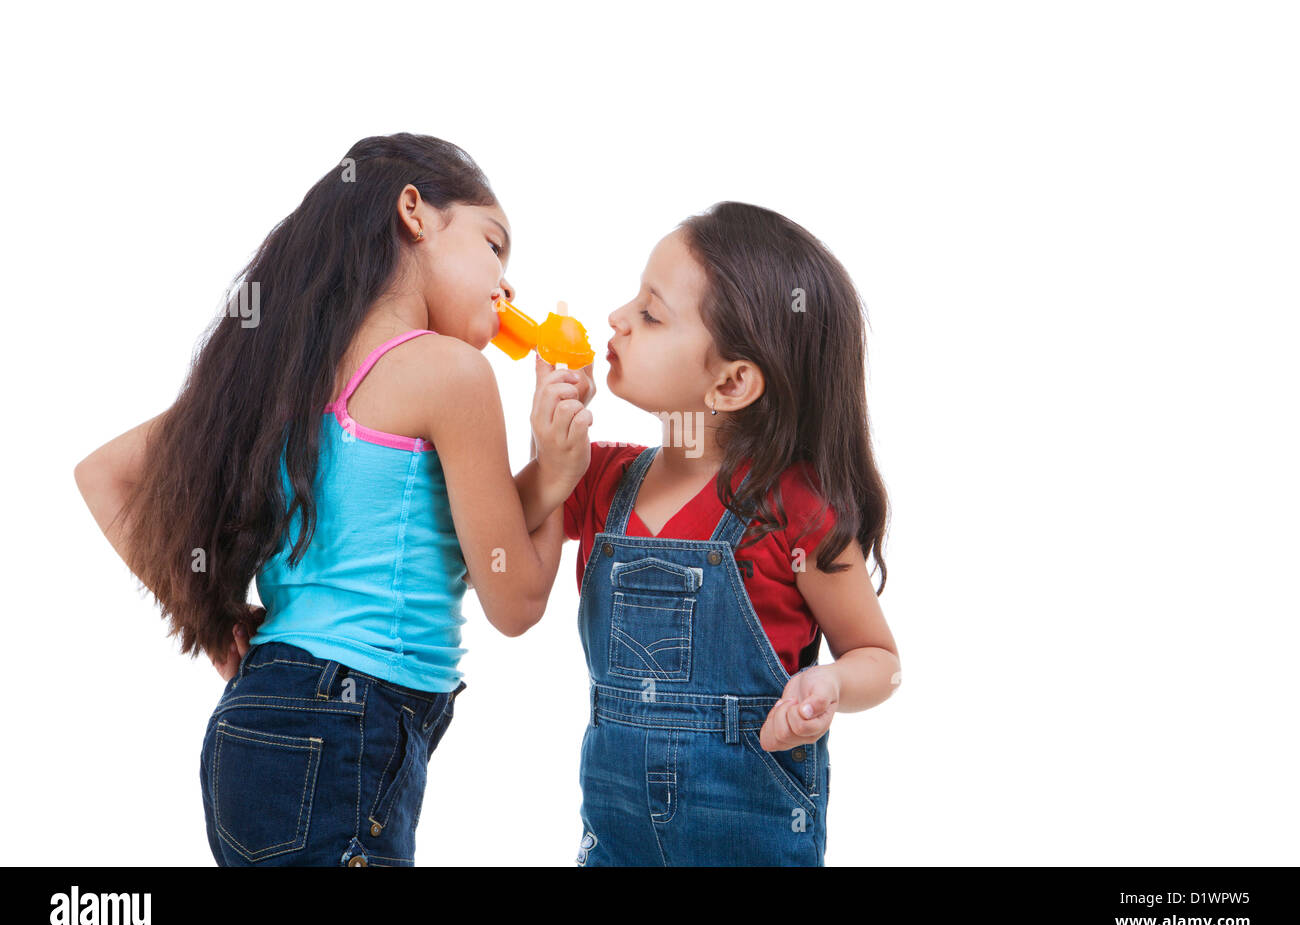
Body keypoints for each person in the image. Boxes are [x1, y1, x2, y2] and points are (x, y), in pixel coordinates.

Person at [72, 133, 593, 866]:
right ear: (414, 211)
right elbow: (516, 599)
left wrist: (218, 622)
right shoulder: (452, 374)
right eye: (495, 245)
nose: (507, 284)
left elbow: (103, 475)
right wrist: (561, 470)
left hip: (258, 722)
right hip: (343, 728)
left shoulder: (280, 374)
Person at [548, 201, 900, 865]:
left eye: (650, 314)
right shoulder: (596, 478)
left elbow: (878, 659)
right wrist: (549, 451)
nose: (616, 319)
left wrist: (828, 687)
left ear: (732, 381)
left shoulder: (797, 509)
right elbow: (489, 530)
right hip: (615, 841)